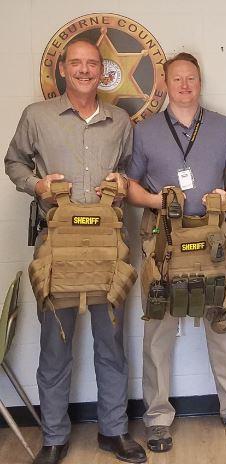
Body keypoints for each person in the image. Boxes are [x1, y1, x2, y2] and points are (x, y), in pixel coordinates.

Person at [4, 38, 146, 464]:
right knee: (54, 346)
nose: (84, 70)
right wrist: (38, 185)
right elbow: (14, 163)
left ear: (102, 71)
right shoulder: (37, 117)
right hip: (58, 247)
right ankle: (53, 437)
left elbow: (128, 172)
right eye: (76, 63)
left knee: (111, 344)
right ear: (62, 69)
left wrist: (122, 185)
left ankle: (114, 431)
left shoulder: (120, 121)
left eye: (92, 64)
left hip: (108, 247)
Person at [125, 52, 226, 452]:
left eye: (192, 78)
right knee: (158, 333)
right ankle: (156, 419)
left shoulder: (223, 127)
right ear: (165, 84)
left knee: (225, 323)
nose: (185, 85)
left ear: (200, 82)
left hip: (215, 238)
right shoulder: (145, 131)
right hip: (165, 242)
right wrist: (155, 200)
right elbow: (130, 185)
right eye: (177, 79)